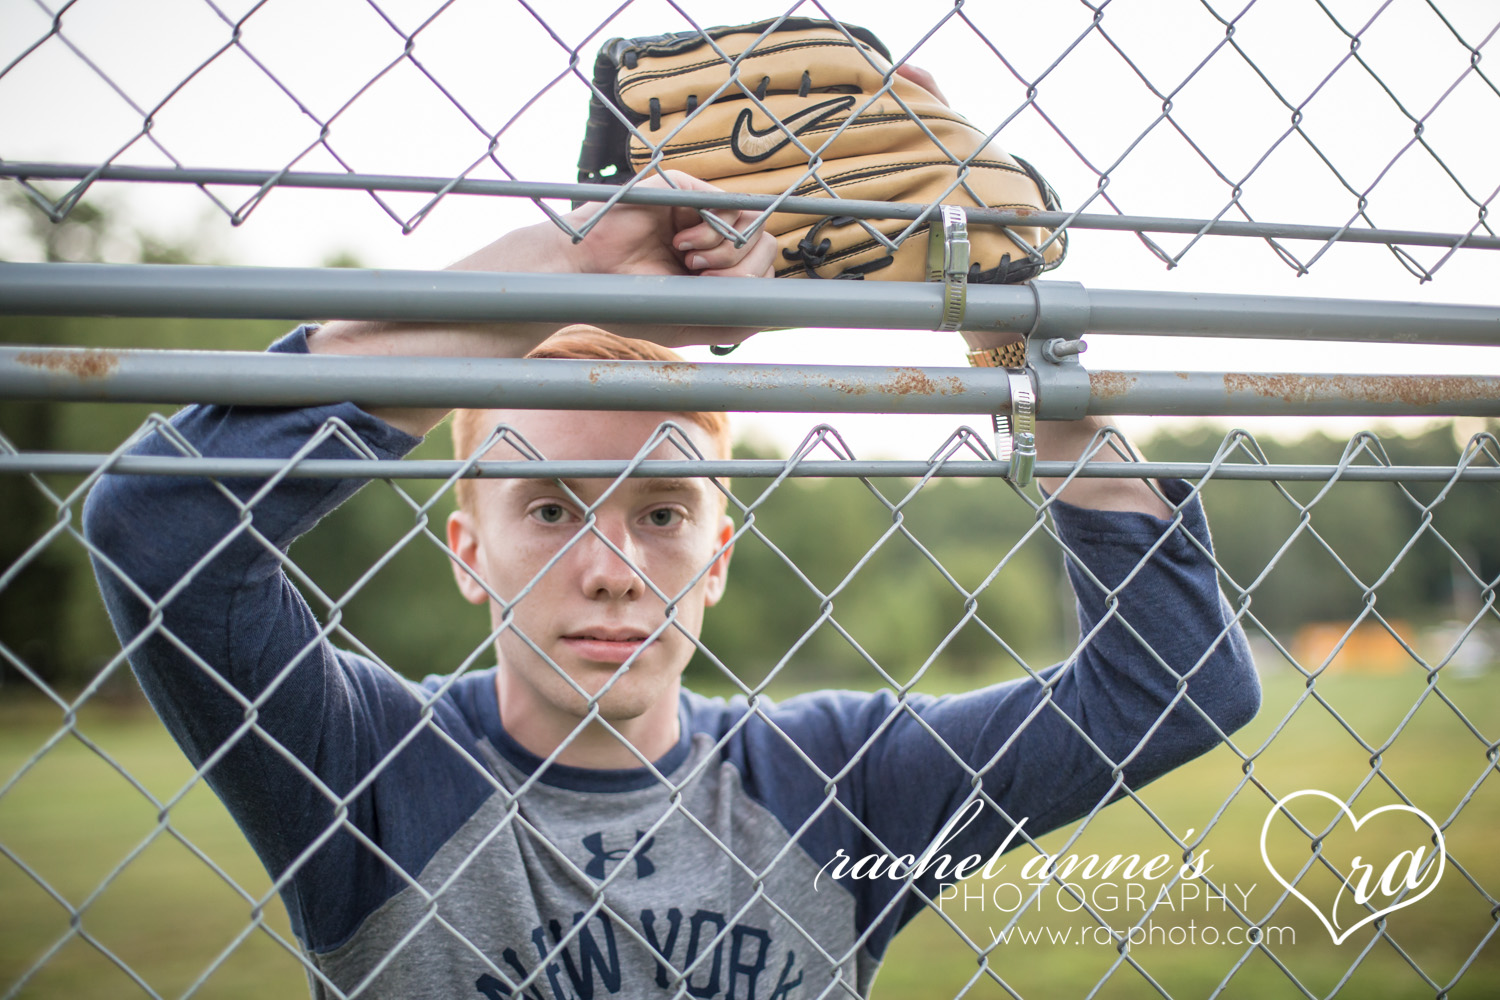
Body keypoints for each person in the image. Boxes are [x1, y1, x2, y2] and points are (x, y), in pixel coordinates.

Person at [84, 169, 1260, 999]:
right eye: (548, 508)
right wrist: (553, 279)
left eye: (662, 512)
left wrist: (1046, 397)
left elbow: (1175, 685)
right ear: (465, 549)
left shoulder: (837, 786)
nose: (609, 569)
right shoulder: (369, 771)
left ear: (719, 558)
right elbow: (162, 532)